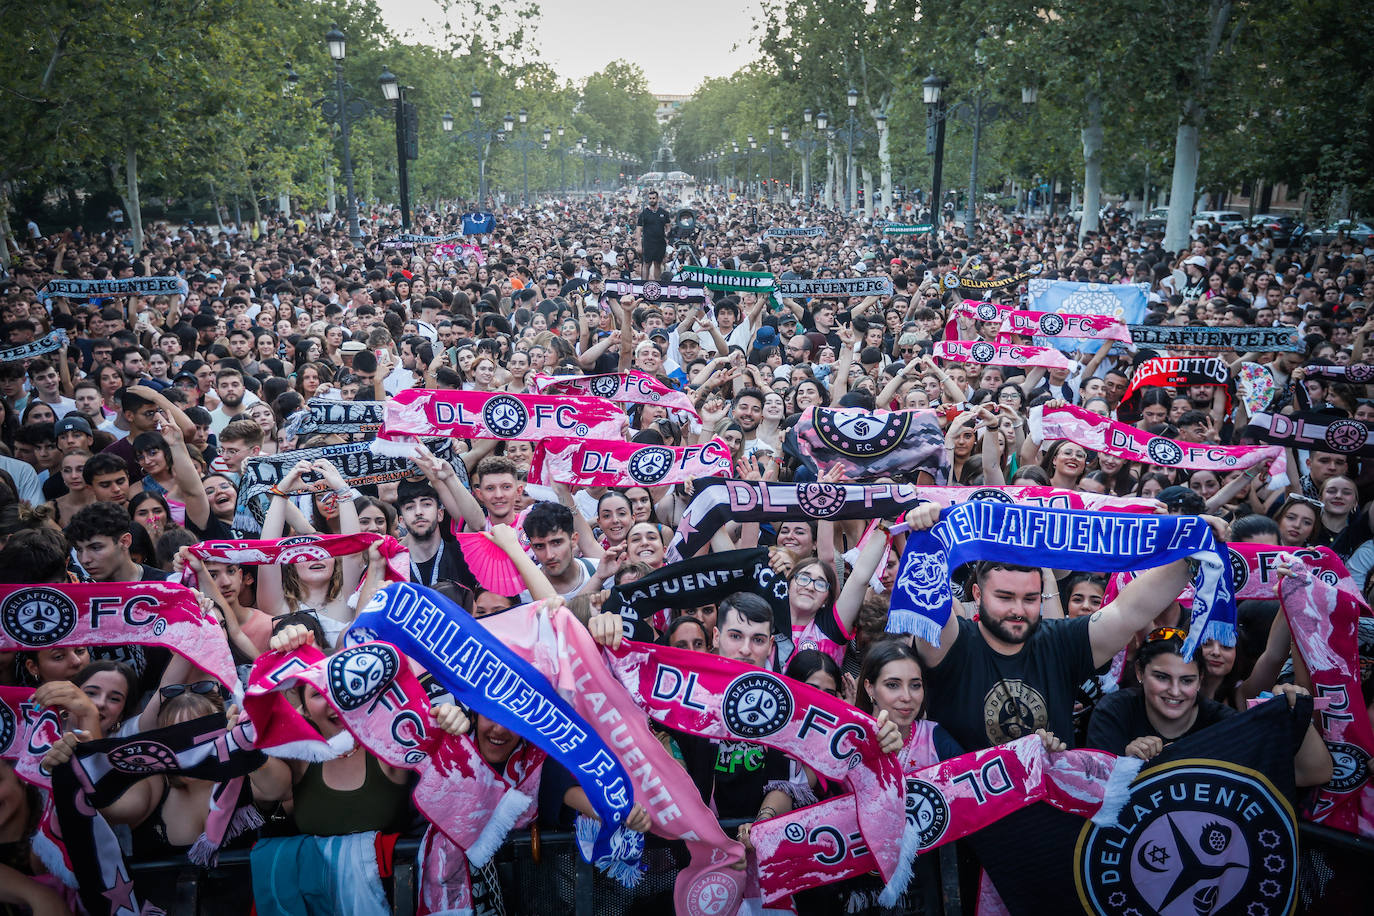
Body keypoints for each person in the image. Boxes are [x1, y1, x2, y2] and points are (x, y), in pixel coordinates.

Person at [900, 501, 1229, 750]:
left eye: (1030, 599)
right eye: (1004, 597)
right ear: (976, 594)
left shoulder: (1059, 642)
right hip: (968, 825)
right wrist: (925, 529)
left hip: (1048, 823)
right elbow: (928, 594)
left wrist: (1190, 549)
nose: (1018, 610)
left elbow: (1131, 610)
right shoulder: (953, 642)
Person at [1086, 627, 1332, 787]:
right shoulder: (1115, 711)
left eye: (1187, 680)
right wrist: (1125, 763)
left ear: (1201, 679)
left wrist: (1297, 710)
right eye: (1161, 677)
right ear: (1140, 672)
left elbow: (1314, 773)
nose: (1174, 691)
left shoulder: (1224, 723)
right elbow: (1089, 789)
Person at [634, 189, 670, 281]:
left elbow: (668, 227)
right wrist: (639, 244)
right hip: (648, 243)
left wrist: (667, 234)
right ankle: (643, 285)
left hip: (660, 243)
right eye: (650, 198)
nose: (652, 200)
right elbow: (638, 230)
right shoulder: (644, 214)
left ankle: (658, 284)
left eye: (653, 198)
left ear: (657, 199)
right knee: (646, 264)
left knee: (658, 264)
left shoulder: (664, 213)